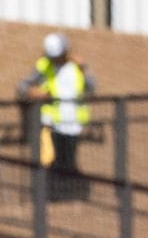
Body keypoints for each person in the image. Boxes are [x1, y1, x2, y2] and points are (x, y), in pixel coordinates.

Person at [22, 33, 95, 203]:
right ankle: (51, 195)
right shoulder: (44, 66)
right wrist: (33, 92)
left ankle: (68, 195)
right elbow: (23, 86)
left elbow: (92, 87)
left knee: (68, 160)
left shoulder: (77, 66)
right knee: (51, 159)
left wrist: (83, 68)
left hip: (73, 123)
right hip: (52, 122)